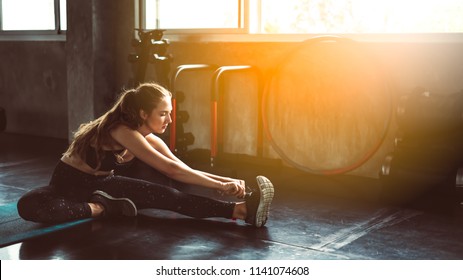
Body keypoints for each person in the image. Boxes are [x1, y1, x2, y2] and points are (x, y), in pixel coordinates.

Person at [17, 82, 274, 227]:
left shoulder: (147, 137)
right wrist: (221, 184)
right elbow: (171, 171)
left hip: (102, 184)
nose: (169, 120)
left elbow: (181, 169)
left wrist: (226, 182)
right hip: (68, 185)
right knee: (28, 206)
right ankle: (100, 207)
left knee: (170, 195)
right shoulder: (121, 130)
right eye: (163, 113)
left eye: (170, 113)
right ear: (143, 113)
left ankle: (242, 211)